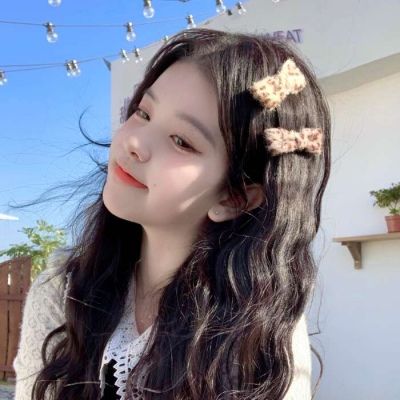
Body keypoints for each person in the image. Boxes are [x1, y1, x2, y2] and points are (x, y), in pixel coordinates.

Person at [12, 27, 330, 400]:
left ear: (235, 198)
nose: (134, 141)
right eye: (143, 113)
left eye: (181, 141)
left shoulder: (261, 333)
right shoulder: (64, 291)